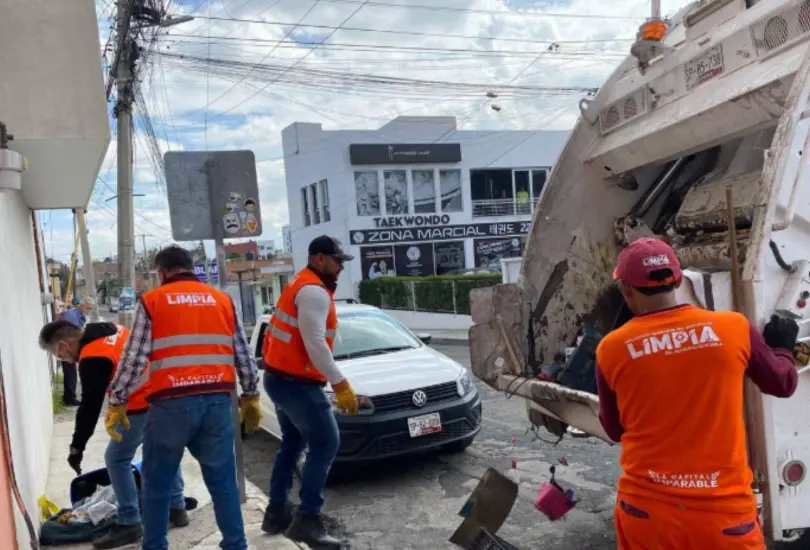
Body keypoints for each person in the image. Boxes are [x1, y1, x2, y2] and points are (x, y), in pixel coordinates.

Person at [596, 237, 799, 549]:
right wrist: (783, 346)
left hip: (647, 513)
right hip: (724, 520)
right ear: (677, 280)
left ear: (626, 290)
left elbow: (613, 429)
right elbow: (783, 383)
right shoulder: (733, 329)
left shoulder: (611, 349)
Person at [106, 245, 262, 550]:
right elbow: (242, 352)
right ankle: (236, 544)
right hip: (218, 403)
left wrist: (118, 398)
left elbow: (134, 358)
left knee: (158, 484)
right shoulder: (222, 300)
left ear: (162, 272)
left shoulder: (152, 301)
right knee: (223, 483)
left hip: (170, 407)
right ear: (191, 268)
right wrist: (251, 394)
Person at [37, 319, 187, 549]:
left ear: (64, 346)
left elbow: (90, 406)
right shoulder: (111, 328)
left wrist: (77, 446)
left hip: (140, 403)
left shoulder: (92, 357)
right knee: (161, 449)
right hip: (165, 392)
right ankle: (177, 507)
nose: (63, 361)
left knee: (116, 459)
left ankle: (129, 521)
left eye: (58, 357)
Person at [260, 236, 359, 549]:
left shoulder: (300, 284)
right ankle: (308, 520)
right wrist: (340, 383)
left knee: (292, 442)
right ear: (319, 259)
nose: (341, 266)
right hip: (296, 384)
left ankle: (276, 512)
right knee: (326, 441)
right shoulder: (314, 292)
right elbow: (314, 343)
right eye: (337, 260)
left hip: (279, 379)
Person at [58, 296, 96, 406]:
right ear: (82, 305)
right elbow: (70, 336)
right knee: (70, 373)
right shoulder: (72, 317)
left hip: (69, 346)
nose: (89, 311)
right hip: (67, 347)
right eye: (88, 308)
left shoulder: (77, 314)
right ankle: (69, 398)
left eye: (91, 309)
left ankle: (69, 396)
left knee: (71, 372)